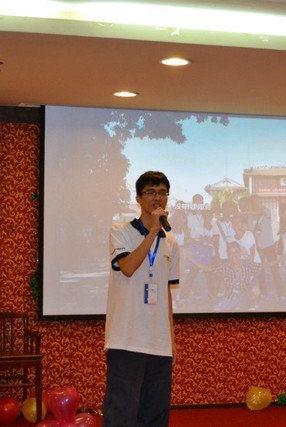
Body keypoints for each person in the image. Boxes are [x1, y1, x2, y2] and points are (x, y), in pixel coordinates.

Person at [103, 171, 180, 427]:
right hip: (126, 338)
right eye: (151, 192)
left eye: (163, 192)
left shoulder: (171, 242)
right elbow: (127, 267)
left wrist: (171, 340)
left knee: (155, 414)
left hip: (159, 342)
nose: (158, 198)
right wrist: (152, 232)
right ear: (138, 198)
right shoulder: (120, 231)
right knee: (121, 413)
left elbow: (166, 292)